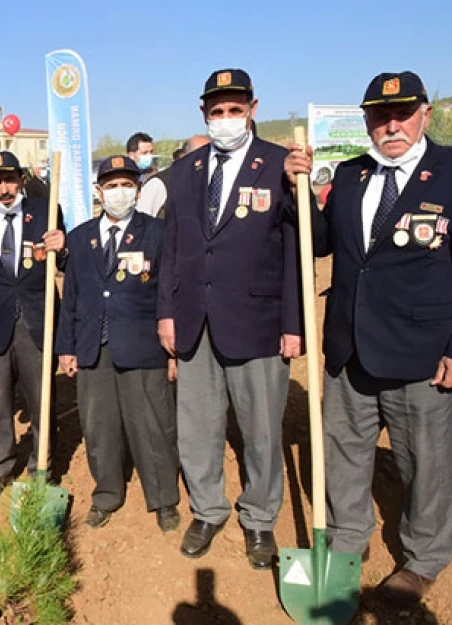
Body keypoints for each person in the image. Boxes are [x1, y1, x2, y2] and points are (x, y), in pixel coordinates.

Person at [285, 70, 452, 607]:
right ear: (367, 120)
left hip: (422, 354)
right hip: (349, 348)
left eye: (403, 113)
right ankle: (349, 537)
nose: (391, 124)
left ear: (424, 113)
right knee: (345, 451)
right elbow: (320, 243)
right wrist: (293, 187)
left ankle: (424, 557)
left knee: (426, 464)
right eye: (379, 116)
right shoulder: (350, 175)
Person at [158, 68, 302, 570]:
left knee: (261, 429)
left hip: (258, 320)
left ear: (253, 109)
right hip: (195, 318)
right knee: (197, 426)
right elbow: (171, 247)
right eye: (216, 112)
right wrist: (166, 314)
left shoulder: (281, 165)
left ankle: (260, 518)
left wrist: (294, 324)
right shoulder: (186, 170)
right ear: (203, 114)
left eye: (234, 110)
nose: (225, 119)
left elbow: (300, 250)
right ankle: (208, 508)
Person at [57, 156, 180, 532]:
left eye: (126, 184)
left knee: (152, 424)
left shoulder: (157, 233)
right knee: (99, 426)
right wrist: (67, 347)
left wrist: (174, 346)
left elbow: (169, 293)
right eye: (111, 186)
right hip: (94, 345)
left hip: (143, 346)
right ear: (99, 192)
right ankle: (107, 493)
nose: (119, 192)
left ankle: (163, 499)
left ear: (139, 189)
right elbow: (72, 296)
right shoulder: (80, 238)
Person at [0, 151, 66, 500]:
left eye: (9, 180)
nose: (4, 189)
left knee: (40, 398)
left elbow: (64, 260)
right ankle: (0, 466)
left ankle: (40, 467)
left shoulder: (45, 213)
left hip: (35, 320)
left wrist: (61, 249)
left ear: (21, 180)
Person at [138, 135, 211, 219]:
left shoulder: (211, 182)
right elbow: (141, 221)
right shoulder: (160, 183)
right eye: (200, 155)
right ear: (184, 156)